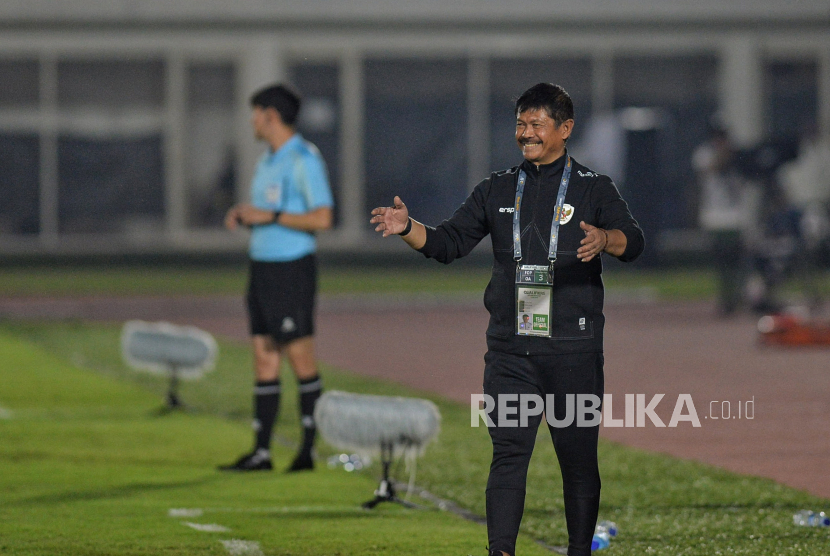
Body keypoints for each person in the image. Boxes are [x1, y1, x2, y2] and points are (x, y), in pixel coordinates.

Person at [370, 83, 643, 556]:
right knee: (509, 455)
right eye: (521, 124)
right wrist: (407, 228)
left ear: (565, 129)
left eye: (537, 124)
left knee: (577, 462)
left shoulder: (593, 188)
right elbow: (448, 244)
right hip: (511, 350)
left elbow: (634, 242)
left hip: (573, 351)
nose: (526, 134)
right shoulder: (496, 188)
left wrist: (605, 238)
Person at [220, 83, 334, 472]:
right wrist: (247, 214)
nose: (252, 122)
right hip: (262, 269)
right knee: (263, 357)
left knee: (299, 356)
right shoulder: (268, 159)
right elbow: (269, 210)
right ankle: (262, 452)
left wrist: (267, 217)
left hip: (291, 270)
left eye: (255, 114)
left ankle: (306, 451)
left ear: (270, 116)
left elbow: (322, 218)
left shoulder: (304, 158)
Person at [692, 124, 753, 315]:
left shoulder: (739, 156)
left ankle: (738, 296)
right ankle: (726, 298)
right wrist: (725, 153)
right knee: (721, 261)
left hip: (736, 216)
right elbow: (710, 169)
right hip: (715, 215)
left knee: (738, 259)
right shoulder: (705, 153)